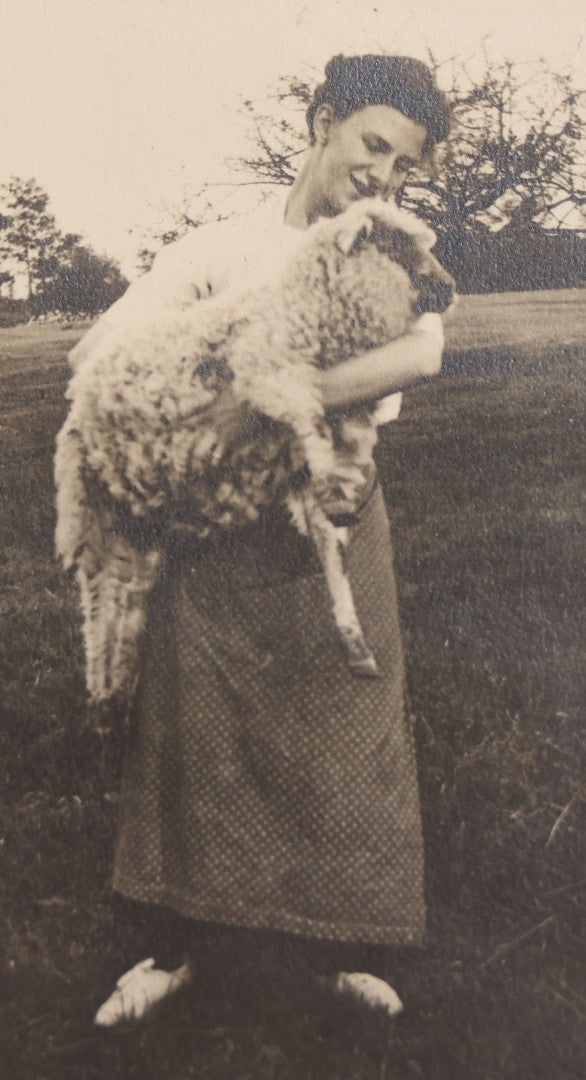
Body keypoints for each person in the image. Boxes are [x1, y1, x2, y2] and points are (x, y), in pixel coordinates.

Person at [81, 53, 451, 1027]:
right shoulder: (220, 249)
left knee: (344, 738)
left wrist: (288, 411)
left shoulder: (383, 247)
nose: (383, 176)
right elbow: (134, 372)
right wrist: (232, 417)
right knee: (199, 739)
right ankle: (177, 951)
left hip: (334, 516)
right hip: (220, 530)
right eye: (373, 144)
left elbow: (417, 353)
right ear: (322, 122)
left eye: (405, 165)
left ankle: (331, 948)